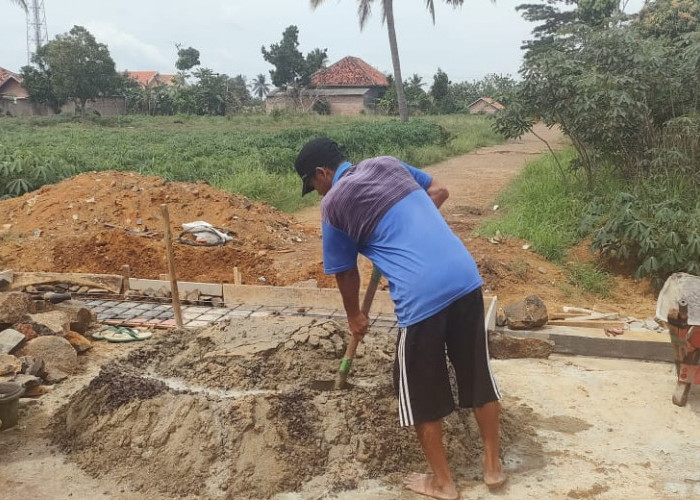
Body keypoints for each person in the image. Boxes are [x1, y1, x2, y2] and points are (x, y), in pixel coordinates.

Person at [294, 137, 506, 500]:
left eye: (312, 185)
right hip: (464, 276)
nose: (316, 193)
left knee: (417, 388)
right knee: (476, 372)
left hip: (422, 294)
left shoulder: (334, 204)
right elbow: (439, 191)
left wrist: (355, 317)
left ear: (322, 172)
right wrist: (404, 236)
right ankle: (493, 467)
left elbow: (345, 272)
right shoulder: (387, 163)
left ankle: (443, 483)